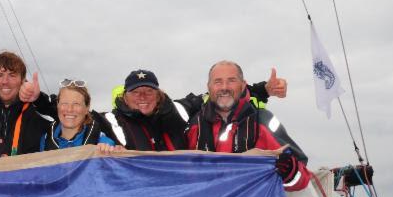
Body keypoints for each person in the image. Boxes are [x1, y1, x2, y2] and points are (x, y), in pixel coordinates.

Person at [186, 60, 310, 191]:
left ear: (243, 85)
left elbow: (302, 177)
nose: (224, 87)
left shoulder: (262, 121)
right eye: (218, 82)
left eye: (231, 80)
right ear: (208, 86)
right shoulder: (194, 125)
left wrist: (289, 170)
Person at [97, 68, 287, 152]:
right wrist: (102, 147)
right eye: (136, 92)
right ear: (125, 96)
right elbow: (75, 123)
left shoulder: (178, 110)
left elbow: (218, 95)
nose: (143, 97)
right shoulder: (108, 121)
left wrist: (264, 89)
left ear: (158, 94)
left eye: (148, 91)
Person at [40, 79, 116, 152]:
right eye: (64, 103)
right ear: (58, 105)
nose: (69, 109)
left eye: (76, 104)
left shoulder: (103, 142)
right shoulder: (46, 139)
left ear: (87, 108)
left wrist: (108, 151)